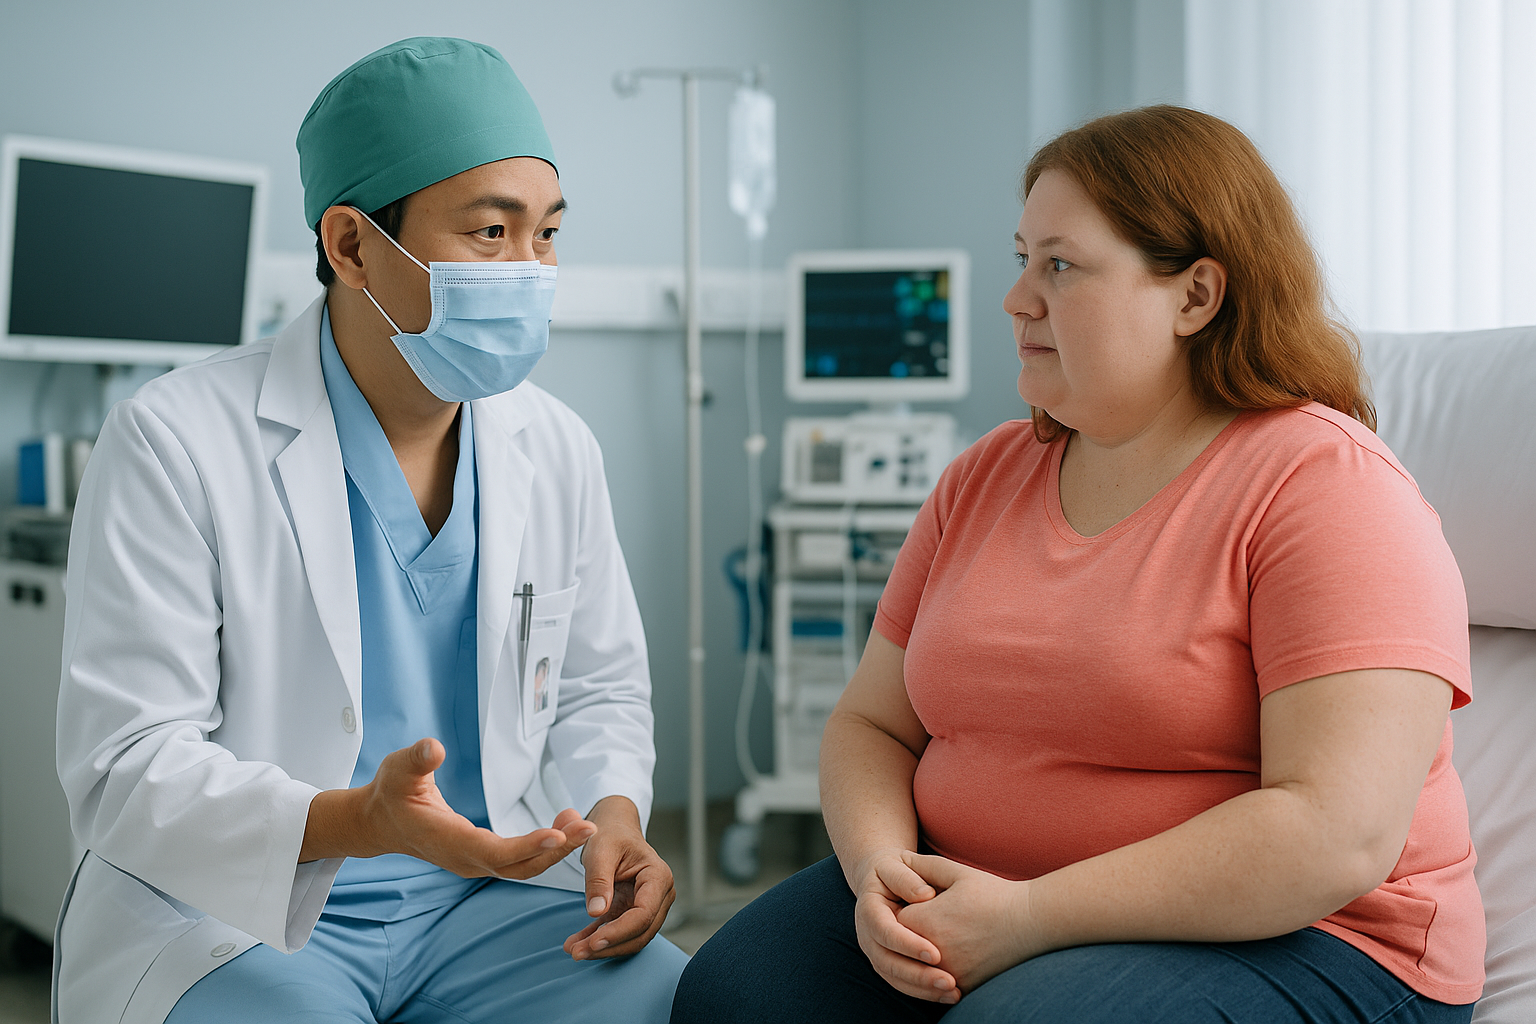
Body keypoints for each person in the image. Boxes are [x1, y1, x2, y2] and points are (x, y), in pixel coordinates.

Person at [671, 105, 1483, 1023]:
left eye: (1059, 264)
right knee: (732, 995)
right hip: (979, 888)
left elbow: (1335, 834)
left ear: (1195, 296)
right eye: (1022, 259)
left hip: (1307, 937)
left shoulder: (1326, 488)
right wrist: (881, 872)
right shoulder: (985, 475)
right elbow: (871, 723)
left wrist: (1029, 915)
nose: (1018, 297)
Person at [54, 37, 687, 1024]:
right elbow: (126, 764)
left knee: (680, 1001)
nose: (529, 270)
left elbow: (600, 685)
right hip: (233, 914)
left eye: (547, 235)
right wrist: (359, 821)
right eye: (490, 232)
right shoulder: (173, 438)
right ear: (350, 246)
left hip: (489, 902)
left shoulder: (554, 445)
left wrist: (614, 818)